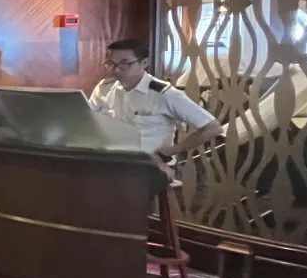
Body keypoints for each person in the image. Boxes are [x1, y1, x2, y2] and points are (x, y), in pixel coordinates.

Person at [88, 38, 221, 178]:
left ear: (144, 63)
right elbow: (87, 120)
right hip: (112, 162)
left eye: (124, 63)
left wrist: (170, 151)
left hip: (150, 167)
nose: (116, 69)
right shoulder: (104, 88)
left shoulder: (164, 94)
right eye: (110, 63)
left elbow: (213, 128)